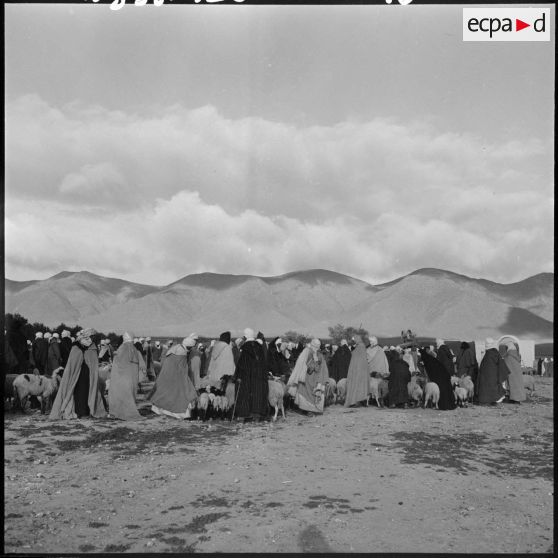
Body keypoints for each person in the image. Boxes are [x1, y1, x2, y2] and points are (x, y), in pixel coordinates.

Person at [49, 328, 106, 420]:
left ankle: (87, 410)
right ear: (87, 336)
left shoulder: (92, 347)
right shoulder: (76, 347)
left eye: (93, 336)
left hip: (88, 374)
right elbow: (72, 363)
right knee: (80, 391)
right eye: (92, 336)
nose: (92, 338)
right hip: (78, 374)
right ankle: (81, 412)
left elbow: (93, 361)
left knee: (88, 390)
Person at [148, 337, 198, 419]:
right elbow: (182, 367)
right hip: (176, 375)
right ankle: (179, 413)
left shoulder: (176, 347)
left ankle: (160, 410)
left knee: (165, 392)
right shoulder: (182, 352)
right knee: (180, 393)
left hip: (166, 373)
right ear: (189, 346)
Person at [233, 328, 269, 421]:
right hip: (259, 376)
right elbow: (263, 362)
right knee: (258, 393)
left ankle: (244, 414)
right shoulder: (260, 347)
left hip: (247, 376)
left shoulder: (245, 348)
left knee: (244, 392)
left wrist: (238, 376)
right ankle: (257, 414)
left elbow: (242, 364)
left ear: (245, 336)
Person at [287, 338, 329, 415]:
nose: (317, 347)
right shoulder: (307, 352)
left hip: (317, 378)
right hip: (307, 377)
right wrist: (315, 362)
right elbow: (307, 367)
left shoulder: (319, 354)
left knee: (312, 393)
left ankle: (312, 409)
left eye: (318, 346)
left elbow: (322, 367)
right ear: (313, 345)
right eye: (316, 346)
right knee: (307, 393)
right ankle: (307, 410)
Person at [108, 332, 143, 420]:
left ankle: (119, 412)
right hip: (132, 377)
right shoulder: (134, 349)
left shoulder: (122, 348)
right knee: (130, 393)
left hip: (121, 377)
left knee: (119, 393)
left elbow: (118, 362)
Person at [475, 338, 510, 405]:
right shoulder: (495, 353)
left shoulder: (487, 354)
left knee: (487, 387)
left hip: (487, 376)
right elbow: (502, 365)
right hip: (493, 375)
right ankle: (493, 400)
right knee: (493, 388)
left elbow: (484, 365)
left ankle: (488, 400)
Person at [344, 335, 370, 407]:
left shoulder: (360, 346)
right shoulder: (361, 346)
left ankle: (355, 401)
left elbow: (356, 356)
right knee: (361, 385)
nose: (353, 341)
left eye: (354, 340)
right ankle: (362, 400)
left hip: (358, 370)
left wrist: (353, 350)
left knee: (357, 385)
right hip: (361, 369)